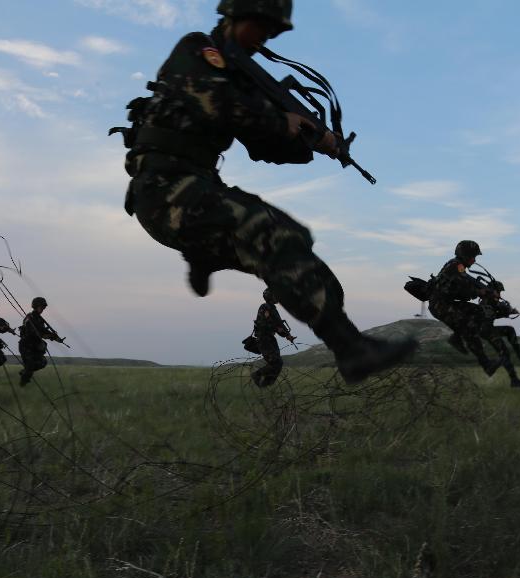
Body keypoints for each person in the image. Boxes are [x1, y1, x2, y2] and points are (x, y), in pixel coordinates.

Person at [117, 0, 417, 385]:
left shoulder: (243, 81)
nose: (265, 40)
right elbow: (218, 104)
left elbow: (268, 149)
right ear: (239, 15)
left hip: (197, 189)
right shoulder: (198, 51)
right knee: (273, 234)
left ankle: (208, 253)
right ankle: (350, 350)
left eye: (273, 33)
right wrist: (281, 118)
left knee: (296, 241)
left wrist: (311, 140)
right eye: (263, 28)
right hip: (163, 192)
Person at [428, 241, 502, 377]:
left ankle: (457, 337)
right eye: (473, 256)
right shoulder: (456, 266)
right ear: (465, 255)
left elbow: (469, 282)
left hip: (446, 304)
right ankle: (486, 364)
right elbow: (467, 288)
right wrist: (484, 292)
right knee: (469, 328)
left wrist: (487, 290)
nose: (474, 260)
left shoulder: (457, 266)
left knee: (478, 312)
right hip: (441, 306)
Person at [477, 280, 520, 388]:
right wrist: (509, 310)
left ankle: (519, 354)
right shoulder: (489, 300)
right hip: (487, 331)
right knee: (504, 353)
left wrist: (508, 311)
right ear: (493, 290)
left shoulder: (489, 301)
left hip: (487, 329)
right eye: (499, 291)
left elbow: (494, 314)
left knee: (509, 330)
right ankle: (513, 379)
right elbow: (497, 310)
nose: (500, 294)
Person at [248, 288, 296, 387]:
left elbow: (279, 324)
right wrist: (279, 330)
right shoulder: (265, 307)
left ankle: (267, 384)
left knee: (278, 363)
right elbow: (265, 324)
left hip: (270, 339)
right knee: (275, 362)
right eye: (275, 295)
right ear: (270, 296)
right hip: (263, 339)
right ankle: (257, 375)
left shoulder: (272, 308)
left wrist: (287, 335)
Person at [18, 297, 64, 387]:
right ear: (35, 306)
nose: (43, 309)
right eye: (41, 307)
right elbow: (34, 332)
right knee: (30, 365)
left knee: (42, 362)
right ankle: (22, 385)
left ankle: (25, 373)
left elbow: (43, 331)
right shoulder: (29, 317)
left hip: (35, 347)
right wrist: (47, 336)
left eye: (43, 307)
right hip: (26, 346)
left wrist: (56, 338)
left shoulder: (39, 319)